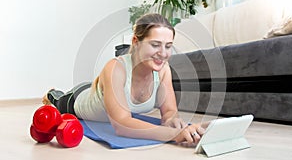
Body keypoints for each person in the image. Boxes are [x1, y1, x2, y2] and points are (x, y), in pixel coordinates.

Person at [42, 13, 208, 145]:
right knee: (58, 101)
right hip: (78, 99)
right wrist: (173, 135)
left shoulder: (163, 70)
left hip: (99, 91)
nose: (163, 53)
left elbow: (170, 111)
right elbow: (121, 124)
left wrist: (172, 121)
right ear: (136, 41)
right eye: (155, 45)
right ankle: (52, 94)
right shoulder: (116, 68)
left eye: (168, 46)